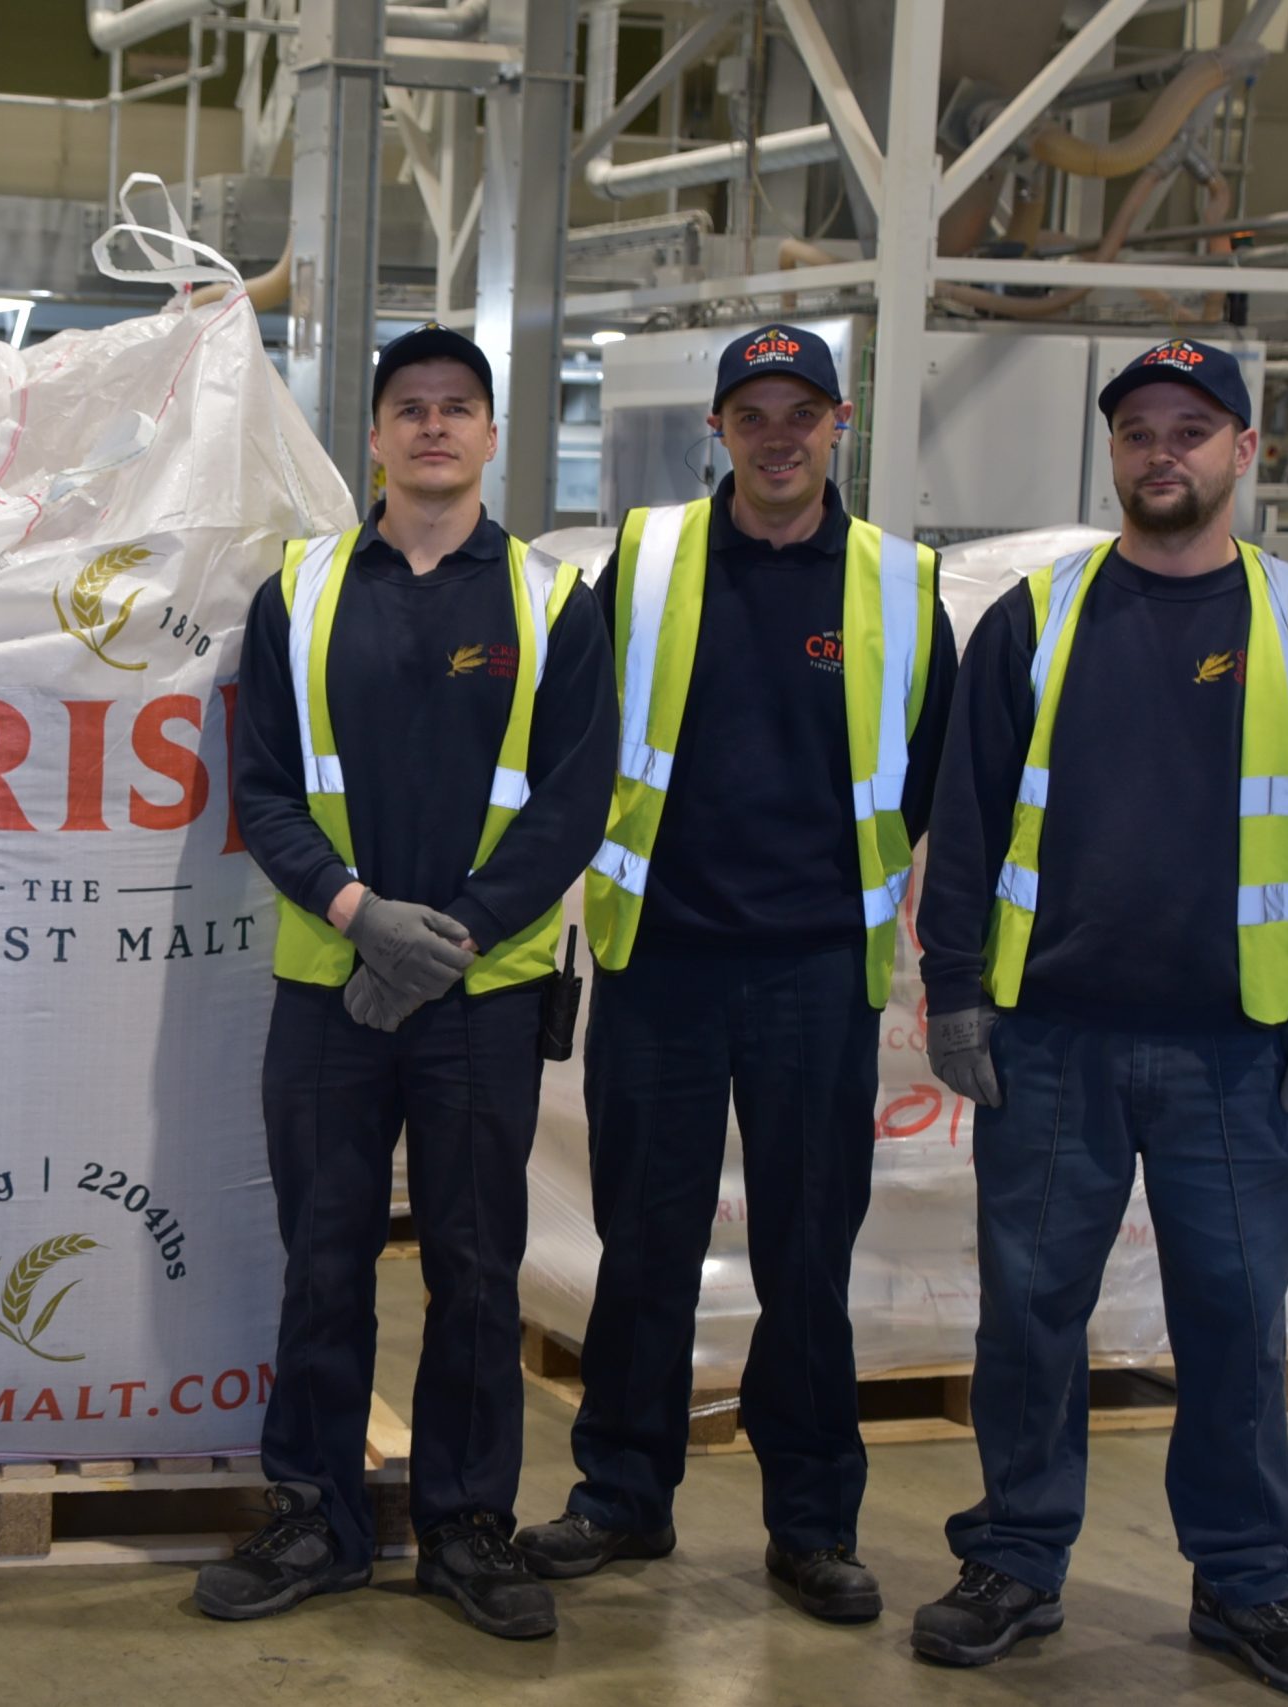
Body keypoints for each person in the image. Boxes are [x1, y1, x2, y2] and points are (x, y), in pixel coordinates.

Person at [908, 338, 1288, 1702]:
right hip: (1051, 1039)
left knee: (1234, 1321)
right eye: (1138, 432)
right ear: (1112, 454)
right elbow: (968, 814)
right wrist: (956, 992)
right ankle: (1012, 1558)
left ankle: (1246, 1583)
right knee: (1032, 1316)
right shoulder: (1039, 619)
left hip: (1238, 1050)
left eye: (1192, 430)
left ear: (1245, 452)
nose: (1161, 454)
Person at [515, 324, 954, 1624]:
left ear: (840, 423)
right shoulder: (644, 566)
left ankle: (813, 1524)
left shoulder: (898, 582)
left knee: (809, 1258)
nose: (777, 435)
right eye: (752, 413)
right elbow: (566, 731)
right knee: (642, 1242)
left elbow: (934, 771)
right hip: (664, 962)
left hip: (818, 972)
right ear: (718, 430)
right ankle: (621, 1497)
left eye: (800, 413)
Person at [202, 324, 616, 1640]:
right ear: (374, 439)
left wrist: (455, 938)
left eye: (459, 408)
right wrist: (356, 911)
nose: (434, 428)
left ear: (492, 437)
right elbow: (261, 784)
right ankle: (314, 1519)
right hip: (328, 995)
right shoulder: (302, 592)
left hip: (482, 1004)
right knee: (322, 1260)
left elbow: (573, 800)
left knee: (477, 1268)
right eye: (409, 409)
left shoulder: (554, 604)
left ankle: (465, 1525)